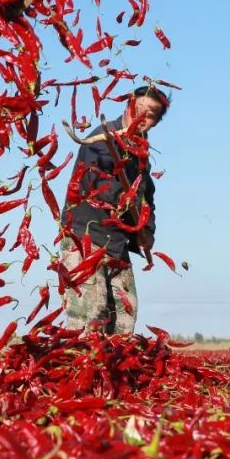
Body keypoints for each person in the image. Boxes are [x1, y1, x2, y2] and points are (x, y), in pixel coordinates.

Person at [59, 86, 168, 335]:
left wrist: (147, 231)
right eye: (138, 109)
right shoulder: (103, 138)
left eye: (150, 114)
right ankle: (80, 370)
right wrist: (123, 196)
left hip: (116, 243)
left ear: (156, 122)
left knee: (124, 317)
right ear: (127, 105)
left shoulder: (141, 154)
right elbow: (93, 180)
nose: (141, 117)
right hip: (84, 237)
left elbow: (145, 196)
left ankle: (111, 373)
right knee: (90, 317)